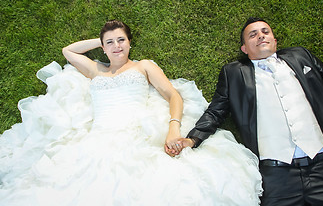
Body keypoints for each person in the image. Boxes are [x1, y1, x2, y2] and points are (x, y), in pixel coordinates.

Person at [0, 20, 262, 205]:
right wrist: (100, 40)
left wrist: (173, 127)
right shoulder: (95, 70)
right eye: (110, 43)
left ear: (129, 43)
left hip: (136, 135)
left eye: (121, 40)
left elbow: (173, 95)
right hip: (98, 138)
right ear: (103, 47)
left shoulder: (143, 66)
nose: (116, 46)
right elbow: (68, 51)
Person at [175, 17, 323, 206]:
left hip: (320, 168)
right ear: (245, 49)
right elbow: (216, 111)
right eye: (253, 35)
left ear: (275, 40)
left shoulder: (300, 56)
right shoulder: (234, 73)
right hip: (275, 177)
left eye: (265, 32)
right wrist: (193, 138)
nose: (261, 36)